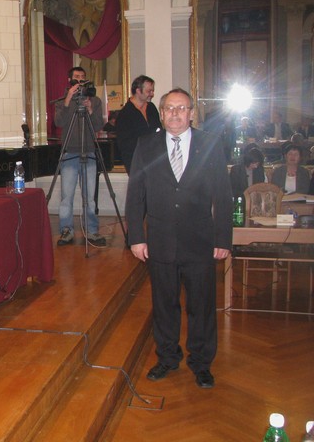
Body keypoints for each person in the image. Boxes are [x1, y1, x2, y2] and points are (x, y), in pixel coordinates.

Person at [125, 88, 232, 390]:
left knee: (202, 307)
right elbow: (136, 194)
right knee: (164, 305)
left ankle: (201, 363)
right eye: (169, 108)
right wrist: (136, 237)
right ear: (161, 113)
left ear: (192, 113)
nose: (175, 113)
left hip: (200, 241)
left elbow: (223, 195)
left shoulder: (210, 144)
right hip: (159, 242)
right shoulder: (146, 145)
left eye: (181, 108)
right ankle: (168, 358)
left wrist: (223, 238)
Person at [53, 66, 105, 246]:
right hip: (70, 152)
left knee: (89, 197)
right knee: (66, 196)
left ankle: (91, 230)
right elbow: (59, 122)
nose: (81, 79)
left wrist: (90, 109)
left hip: (88, 150)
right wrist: (68, 99)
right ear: (70, 80)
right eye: (77, 77)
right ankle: (66, 230)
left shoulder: (94, 100)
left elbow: (98, 126)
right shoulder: (62, 101)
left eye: (83, 77)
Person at [115, 75, 162, 174]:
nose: (152, 94)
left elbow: (159, 131)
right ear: (138, 91)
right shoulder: (125, 114)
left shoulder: (151, 108)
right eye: (149, 91)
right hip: (136, 162)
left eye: (152, 91)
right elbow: (125, 145)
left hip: (154, 160)